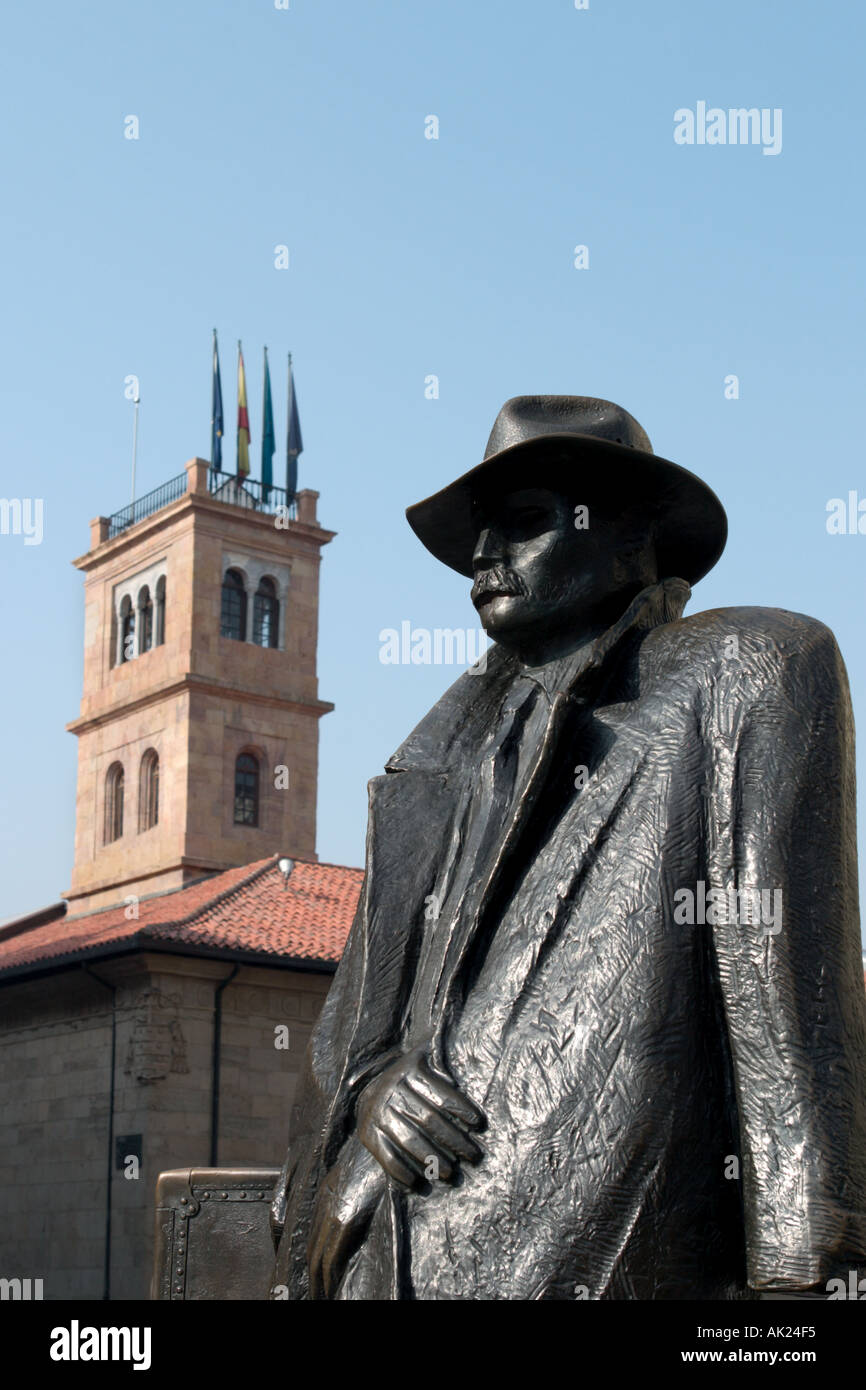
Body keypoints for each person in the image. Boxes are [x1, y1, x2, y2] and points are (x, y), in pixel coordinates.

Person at [271, 396, 866, 1300]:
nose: (481, 557)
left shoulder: (745, 671)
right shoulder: (430, 765)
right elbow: (354, 1026)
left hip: (581, 1260)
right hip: (380, 1263)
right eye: (480, 532)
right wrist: (371, 1089)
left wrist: (802, 1301)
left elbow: (791, 1040)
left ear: (630, 535)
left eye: (525, 523)